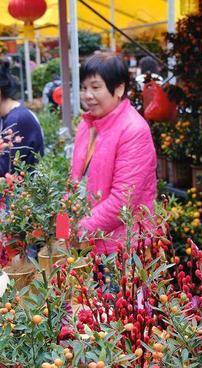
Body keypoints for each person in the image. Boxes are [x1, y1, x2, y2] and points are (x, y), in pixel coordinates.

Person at [71, 53, 157, 254]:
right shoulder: (87, 124)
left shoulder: (133, 130)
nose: (87, 95)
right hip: (89, 242)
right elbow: (74, 182)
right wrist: (61, 230)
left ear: (119, 88)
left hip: (122, 248)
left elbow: (122, 202)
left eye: (95, 87)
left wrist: (77, 232)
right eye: (84, 88)